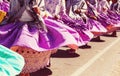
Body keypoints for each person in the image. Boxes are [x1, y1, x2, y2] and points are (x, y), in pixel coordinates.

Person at [0, 0, 80, 76]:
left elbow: (11, 13)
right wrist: (44, 14)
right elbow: (36, 10)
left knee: (15, 47)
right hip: (30, 26)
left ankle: (20, 71)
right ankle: (23, 72)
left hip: (17, 24)